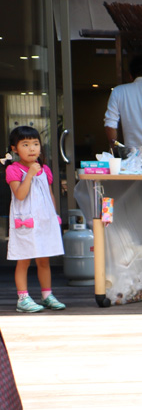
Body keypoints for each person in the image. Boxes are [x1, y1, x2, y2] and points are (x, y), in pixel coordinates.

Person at [6, 126, 65, 313]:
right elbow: (20, 195)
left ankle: (47, 295)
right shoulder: (13, 170)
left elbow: (49, 194)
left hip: (44, 222)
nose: (32, 148)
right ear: (14, 149)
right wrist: (30, 174)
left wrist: (54, 215)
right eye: (25, 144)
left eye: (35, 144)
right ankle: (23, 298)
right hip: (25, 222)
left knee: (43, 260)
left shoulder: (45, 169)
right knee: (24, 260)